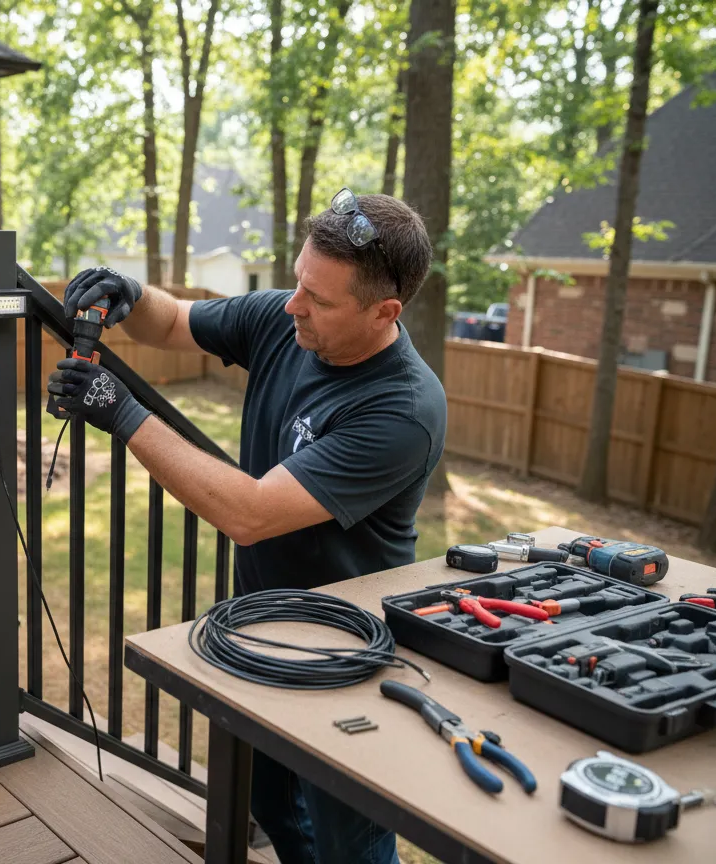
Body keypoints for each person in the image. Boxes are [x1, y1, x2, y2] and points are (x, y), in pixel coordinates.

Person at [47, 188, 446, 864]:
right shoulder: (282, 318)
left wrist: (120, 411)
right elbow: (172, 324)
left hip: (342, 655)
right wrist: (128, 292)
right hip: (259, 628)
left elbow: (252, 512)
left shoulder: (401, 407)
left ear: (386, 312)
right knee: (268, 799)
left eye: (318, 299)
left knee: (350, 837)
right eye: (297, 282)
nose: (294, 304)